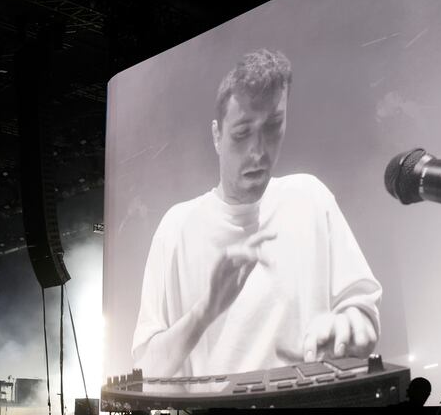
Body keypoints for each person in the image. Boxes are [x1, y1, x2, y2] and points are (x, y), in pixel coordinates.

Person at [132, 48, 382, 377]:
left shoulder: (310, 198)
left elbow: (362, 316)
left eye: (273, 128)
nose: (258, 151)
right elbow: (147, 369)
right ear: (217, 135)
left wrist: (351, 326)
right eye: (242, 133)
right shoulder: (176, 228)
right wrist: (206, 310)